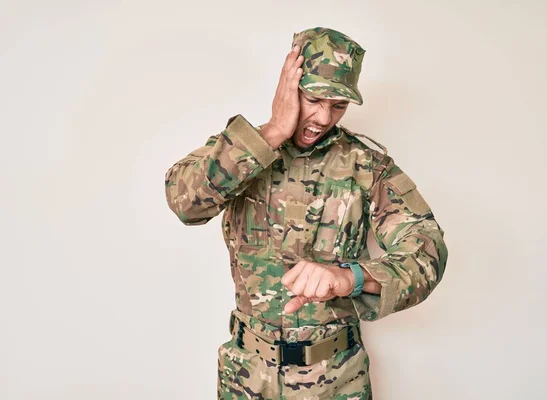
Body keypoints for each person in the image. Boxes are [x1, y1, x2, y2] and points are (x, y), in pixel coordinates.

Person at [165, 27, 448, 400]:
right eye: (313, 99)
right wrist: (274, 130)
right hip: (246, 378)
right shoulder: (241, 151)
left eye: (338, 105)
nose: (323, 117)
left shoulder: (367, 165)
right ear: (288, 87)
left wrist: (352, 278)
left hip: (335, 381)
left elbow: (427, 250)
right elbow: (183, 201)